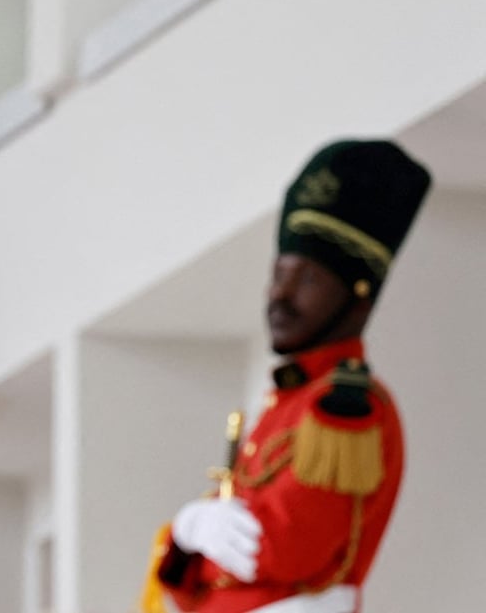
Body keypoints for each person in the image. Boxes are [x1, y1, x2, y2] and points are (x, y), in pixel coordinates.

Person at [149, 139, 430, 612]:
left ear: (359, 296)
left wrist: (200, 539)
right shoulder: (286, 403)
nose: (280, 296)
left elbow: (284, 549)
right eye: (278, 274)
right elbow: (185, 583)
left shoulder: (346, 408)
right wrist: (188, 530)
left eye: (308, 279)